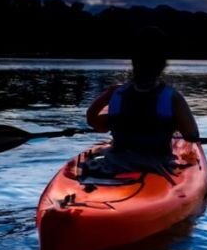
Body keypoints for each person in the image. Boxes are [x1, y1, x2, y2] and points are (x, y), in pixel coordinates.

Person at [85, 27, 199, 177]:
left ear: (134, 62)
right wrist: (174, 124)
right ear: (162, 64)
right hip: (158, 167)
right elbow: (192, 136)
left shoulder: (115, 94)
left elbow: (94, 122)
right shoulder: (172, 97)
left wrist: (115, 120)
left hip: (114, 164)